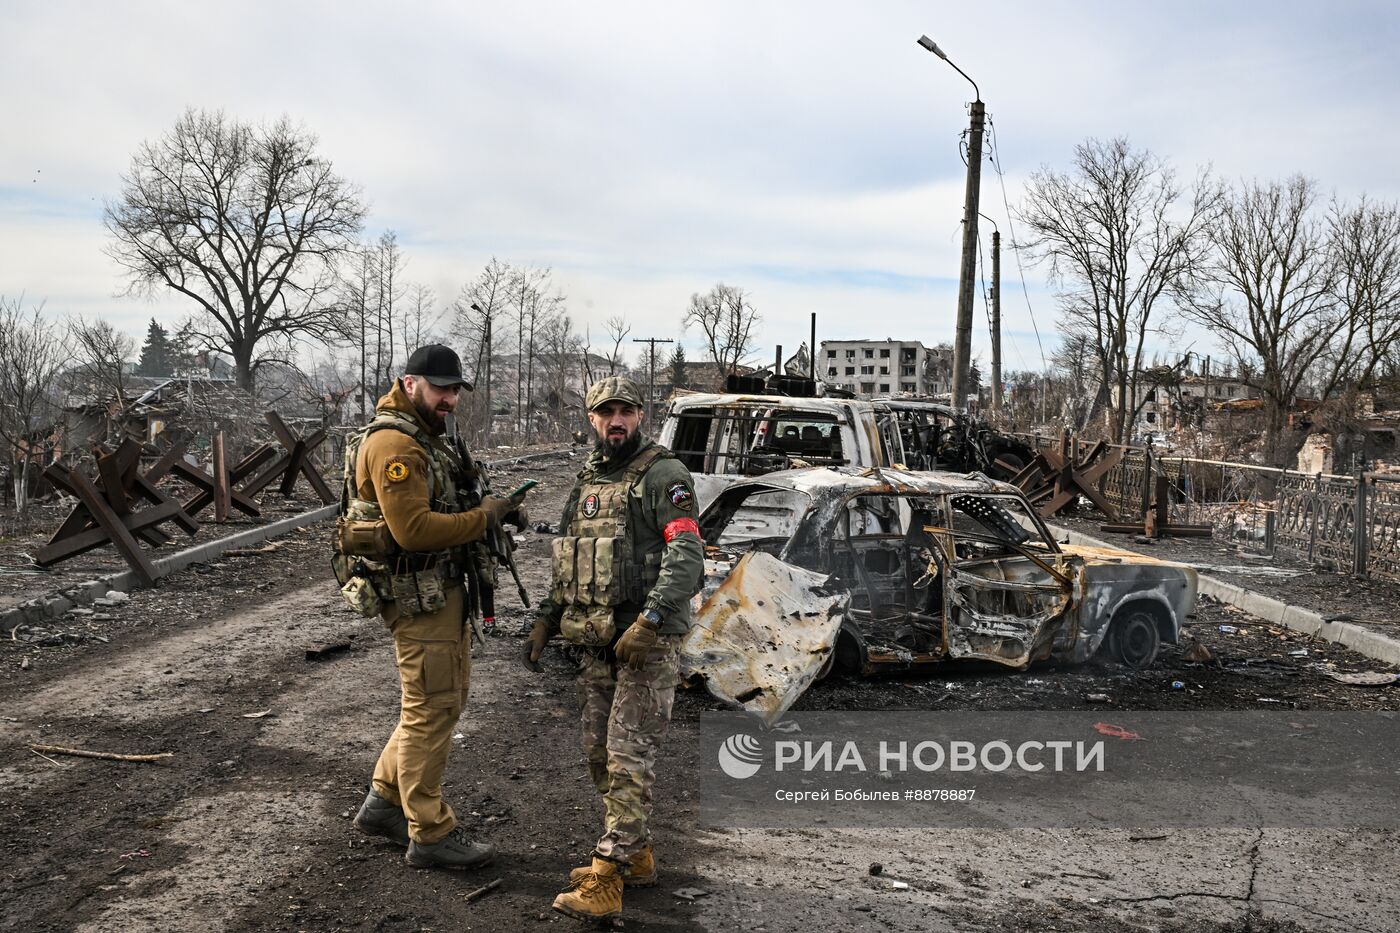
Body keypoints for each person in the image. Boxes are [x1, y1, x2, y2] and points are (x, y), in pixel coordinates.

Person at [522, 375, 705, 922]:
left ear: (640, 414)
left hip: (647, 642)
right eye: (606, 412)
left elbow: (687, 553)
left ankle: (608, 879)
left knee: (628, 757)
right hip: (599, 639)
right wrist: (546, 620)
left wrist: (650, 620)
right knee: (599, 753)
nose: (616, 420)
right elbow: (571, 560)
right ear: (591, 418)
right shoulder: (588, 482)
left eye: (625, 410)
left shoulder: (663, 475)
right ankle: (638, 855)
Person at [342, 344, 524, 870]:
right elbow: (414, 531)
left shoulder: (426, 436)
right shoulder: (396, 444)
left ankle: (384, 803)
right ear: (408, 383)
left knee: (438, 702)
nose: (448, 399)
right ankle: (430, 832)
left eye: (453, 390)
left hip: (441, 593)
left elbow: (448, 503)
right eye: (439, 388)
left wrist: (499, 508)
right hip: (419, 597)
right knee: (432, 709)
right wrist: (484, 518)